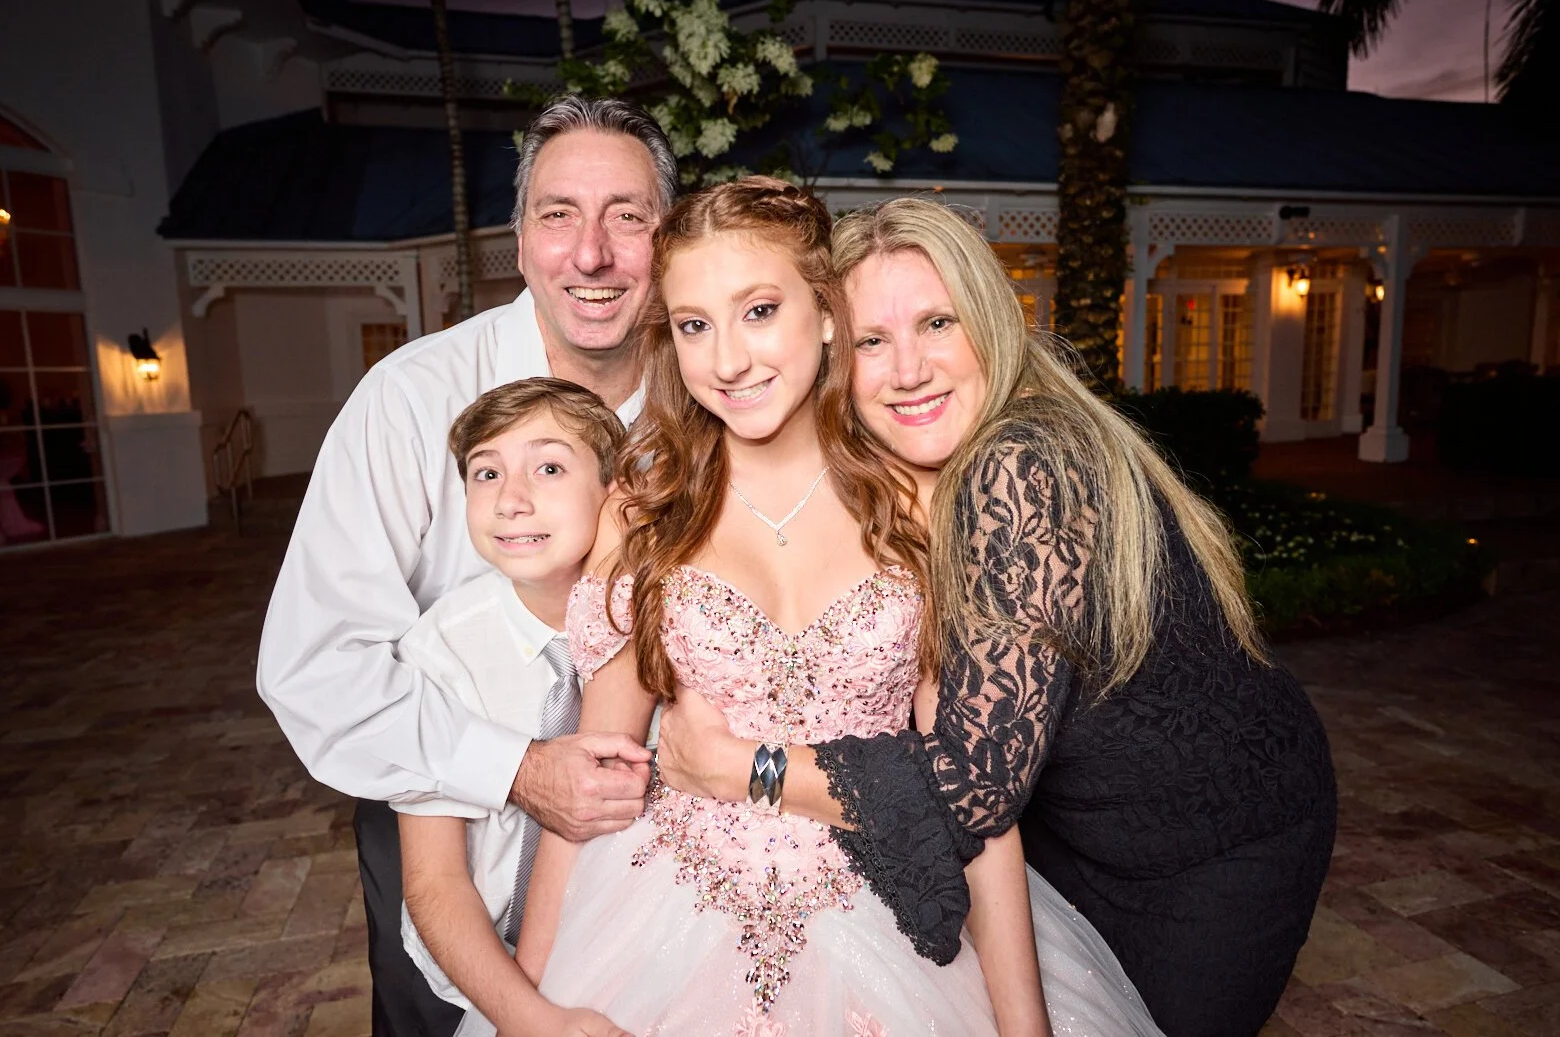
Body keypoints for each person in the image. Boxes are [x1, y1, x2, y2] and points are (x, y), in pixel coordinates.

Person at [655, 197, 1339, 1037]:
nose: (907, 369)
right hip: (1080, 829)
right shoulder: (919, 476)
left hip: (1216, 844)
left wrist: (741, 769)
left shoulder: (1020, 465)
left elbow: (974, 788)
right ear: (839, 352)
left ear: (990, 320)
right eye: (874, 340)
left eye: (937, 323)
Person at [502, 177, 1163, 1037]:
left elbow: (978, 805)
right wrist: (525, 1001)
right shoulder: (645, 504)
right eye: (696, 325)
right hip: (664, 910)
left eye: (759, 311)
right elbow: (596, 771)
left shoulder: (915, 502)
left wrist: (1023, 1026)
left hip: (887, 904)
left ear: (825, 314)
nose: (729, 360)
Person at [256, 96, 674, 1037]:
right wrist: (518, 769)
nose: (592, 254)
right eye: (558, 215)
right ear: (520, 243)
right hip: (436, 812)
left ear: (668, 239)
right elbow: (313, 664)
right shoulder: (412, 400)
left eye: (628, 217)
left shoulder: (712, 399)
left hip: (644, 844)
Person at [393, 378, 632, 1037]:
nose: (511, 501)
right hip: (492, 972)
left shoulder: (666, 620)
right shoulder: (439, 654)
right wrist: (526, 1017)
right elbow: (435, 879)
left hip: (639, 942)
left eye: (549, 467)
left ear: (615, 493)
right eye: (486, 473)